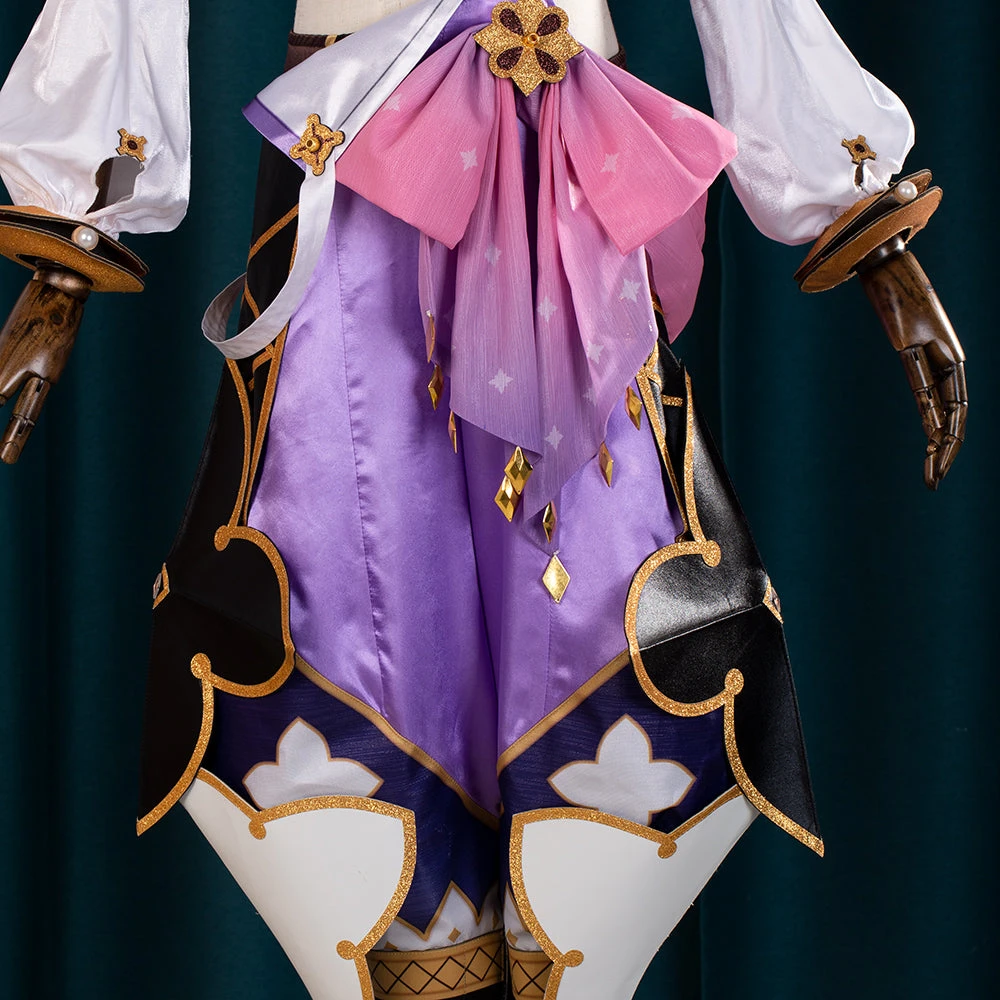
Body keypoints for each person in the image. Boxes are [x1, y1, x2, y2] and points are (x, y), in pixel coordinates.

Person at [0, 2, 967, 998]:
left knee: (614, 661)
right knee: (340, 639)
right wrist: (68, 224)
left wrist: (867, 223)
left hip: (573, 190)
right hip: (359, 182)